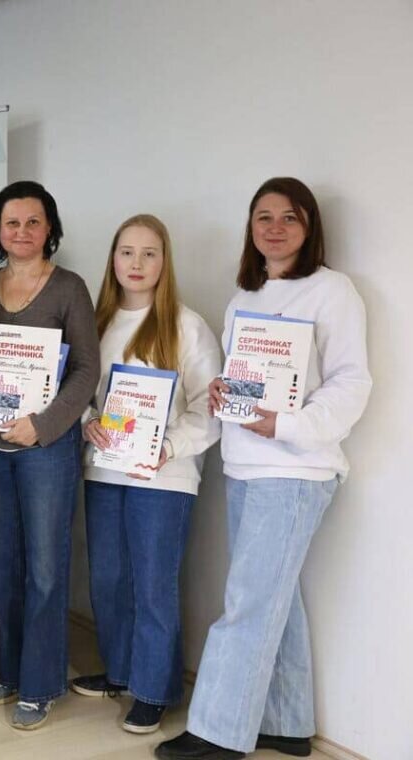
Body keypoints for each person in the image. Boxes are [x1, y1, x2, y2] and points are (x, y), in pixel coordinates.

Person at [157, 178, 371, 760]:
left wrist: (288, 425)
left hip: (296, 470)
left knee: (249, 600)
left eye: (290, 218)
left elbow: (352, 382)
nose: (275, 228)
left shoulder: (333, 292)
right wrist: (225, 391)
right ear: (250, 228)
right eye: (264, 217)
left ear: (310, 226)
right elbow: (243, 382)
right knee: (277, 596)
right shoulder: (244, 298)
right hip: (246, 466)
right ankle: (286, 721)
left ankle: (217, 733)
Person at [70, 214, 220, 733]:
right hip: (105, 471)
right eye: (127, 252)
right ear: (113, 260)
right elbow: (78, 392)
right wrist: (87, 423)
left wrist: (170, 447)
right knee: (108, 579)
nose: (137, 263)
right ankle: (119, 671)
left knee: (153, 583)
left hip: (164, 477)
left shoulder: (186, 325)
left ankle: (155, 689)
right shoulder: (97, 323)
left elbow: (209, 407)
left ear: (164, 262)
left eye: (149, 253)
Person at [0, 180, 100, 730]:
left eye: (33, 222)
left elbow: (86, 370)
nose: (22, 231)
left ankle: (41, 683)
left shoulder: (69, 288)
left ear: (50, 229)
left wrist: (42, 426)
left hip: (47, 447)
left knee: (45, 569)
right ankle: (11, 669)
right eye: (12, 222)